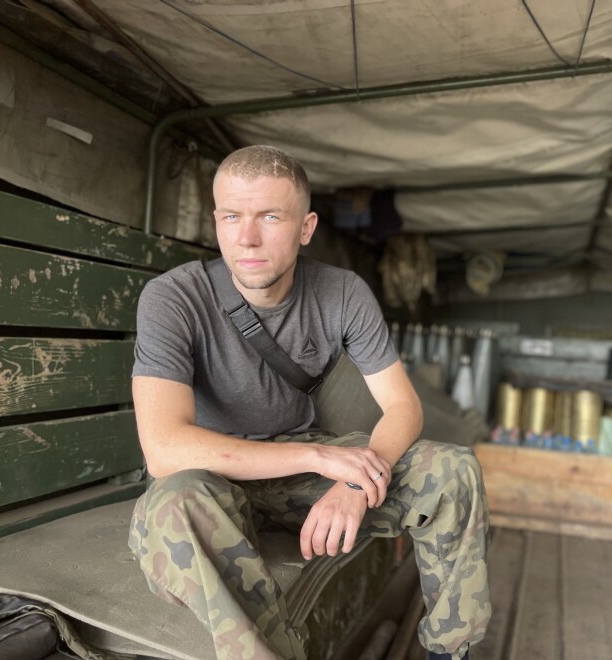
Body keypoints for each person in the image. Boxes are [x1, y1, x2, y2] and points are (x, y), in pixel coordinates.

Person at [128, 145, 490, 660]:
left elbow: (403, 407)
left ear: (306, 226)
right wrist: (322, 458)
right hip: (211, 479)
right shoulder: (173, 298)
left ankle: (448, 654)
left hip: (302, 477)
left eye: (270, 216)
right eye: (232, 216)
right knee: (177, 506)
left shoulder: (342, 292)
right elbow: (165, 449)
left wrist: (351, 483)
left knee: (454, 471)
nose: (246, 238)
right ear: (216, 220)